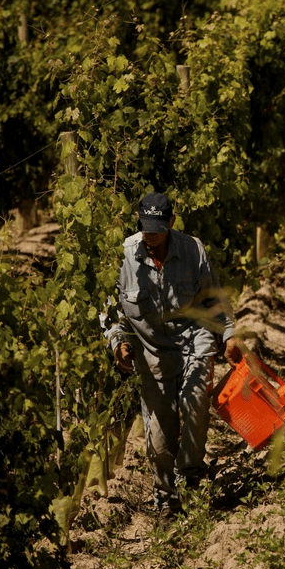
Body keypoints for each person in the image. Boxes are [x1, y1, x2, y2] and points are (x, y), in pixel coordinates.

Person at [105, 192, 242, 520]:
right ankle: (167, 497)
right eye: (146, 227)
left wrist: (231, 334)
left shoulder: (193, 249)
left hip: (194, 341)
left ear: (172, 222)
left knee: (195, 405)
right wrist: (118, 342)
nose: (151, 235)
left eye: (158, 228)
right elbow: (111, 311)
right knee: (161, 437)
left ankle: (191, 478)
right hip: (152, 354)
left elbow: (213, 298)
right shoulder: (123, 255)